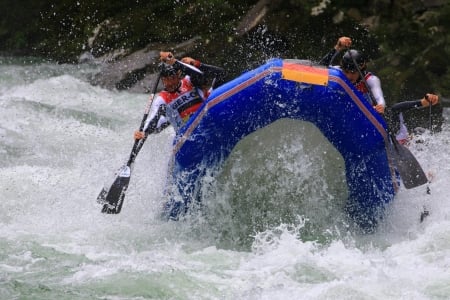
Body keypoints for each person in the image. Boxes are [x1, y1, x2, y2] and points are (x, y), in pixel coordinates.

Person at [134, 51, 226, 139]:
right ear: (162, 79)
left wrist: (176, 62)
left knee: (221, 75)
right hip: (188, 134)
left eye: (172, 78)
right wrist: (143, 132)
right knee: (162, 113)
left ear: (178, 74)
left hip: (209, 116)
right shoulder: (162, 99)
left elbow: (204, 75)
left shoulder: (190, 81)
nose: (170, 83)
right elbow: (154, 120)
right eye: (166, 79)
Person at [319, 36, 386, 114]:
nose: (349, 76)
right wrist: (337, 47)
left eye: (353, 72)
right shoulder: (338, 72)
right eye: (346, 72)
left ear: (361, 69)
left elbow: (379, 98)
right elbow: (319, 69)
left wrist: (380, 106)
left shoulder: (371, 80)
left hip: (361, 115)